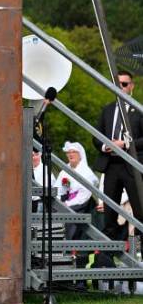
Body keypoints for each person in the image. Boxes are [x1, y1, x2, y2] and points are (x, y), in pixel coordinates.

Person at [91, 70, 143, 242]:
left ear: (131, 87)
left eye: (125, 84)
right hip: (111, 164)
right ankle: (108, 257)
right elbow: (96, 136)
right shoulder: (107, 110)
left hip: (132, 166)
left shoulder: (139, 110)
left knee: (139, 210)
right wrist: (107, 145)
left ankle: (140, 250)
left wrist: (126, 144)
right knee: (109, 212)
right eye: (118, 84)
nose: (121, 87)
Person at [57, 142, 97, 241]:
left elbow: (84, 195)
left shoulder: (86, 172)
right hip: (66, 201)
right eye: (68, 152)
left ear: (80, 155)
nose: (70, 154)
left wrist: (68, 204)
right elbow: (60, 188)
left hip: (83, 204)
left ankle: (70, 247)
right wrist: (59, 201)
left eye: (74, 152)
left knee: (68, 217)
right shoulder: (65, 171)